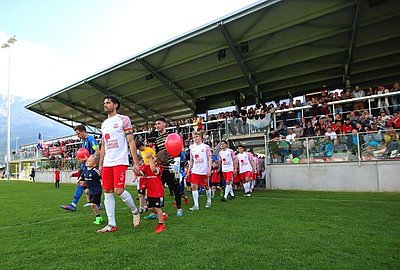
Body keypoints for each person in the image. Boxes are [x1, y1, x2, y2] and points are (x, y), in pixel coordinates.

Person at [97, 95, 141, 233]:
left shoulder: (124, 120)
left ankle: (135, 211)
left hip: (120, 161)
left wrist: (135, 162)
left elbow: (131, 141)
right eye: (104, 103)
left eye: (108, 103)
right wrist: (100, 164)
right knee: (107, 192)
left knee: (119, 191)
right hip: (107, 162)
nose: (105, 105)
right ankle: (111, 224)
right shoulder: (104, 124)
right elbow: (103, 145)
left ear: (115, 105)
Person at [61, 125, 100, 211]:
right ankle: (75, 204)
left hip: (90, 166)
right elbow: (84, 153)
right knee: (85, 184)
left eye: (78, 133)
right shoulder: (83, 141)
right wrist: (79, 157)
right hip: (84, 166)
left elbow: (97, 152)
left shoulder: (91, 140)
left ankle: (74, 205)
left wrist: (89, 159)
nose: (77, 135)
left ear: (83, 131)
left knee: (86, 184)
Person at [153, 117, 184, 217]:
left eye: (159, 123)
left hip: (172, 167)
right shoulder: (157, 139)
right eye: (156, 124)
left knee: (175, 188)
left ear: (164, 124)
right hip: (162, 168)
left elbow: (178, 149)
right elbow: (158, 153)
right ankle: (157, 211)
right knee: (157, 189)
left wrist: (177, 164)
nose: (157, 126)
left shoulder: (171, 137)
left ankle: (179, 208)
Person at [139, 150, 169, 233]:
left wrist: (151, 159)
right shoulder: (149, 165)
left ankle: (161, 224)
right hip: (150, 191)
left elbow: (153, 169)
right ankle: (162, 215)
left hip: (157, 192)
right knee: (150, 208)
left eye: (156, 159)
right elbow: (140, 172)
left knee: (157, 208)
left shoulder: (160, 168)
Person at [186, 131, 212, 210]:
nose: (195, 139)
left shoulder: (205, 147)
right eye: (193, 137)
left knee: (206, 186)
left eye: (196, 137)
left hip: (204, 170)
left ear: (201, 137)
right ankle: (196, 205)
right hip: (195, 170)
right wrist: (188, 171)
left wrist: (209, 169)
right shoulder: (192, 147)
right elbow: (191, 160)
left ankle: (209, 200)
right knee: (194, 186)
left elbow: (209, 158)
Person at [79, 155, 103, 225]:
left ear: (94, 164)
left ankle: (98, 218)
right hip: (91, 191)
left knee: (93, 205)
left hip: (97, 190)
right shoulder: (85, 170)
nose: (87, 162)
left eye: (89, 161)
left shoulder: (95, 171)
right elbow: (82, 177)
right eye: (87, 160)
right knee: (93, 205)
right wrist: (79, 181)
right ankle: (99, 216)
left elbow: (101, 176)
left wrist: (102, 181)